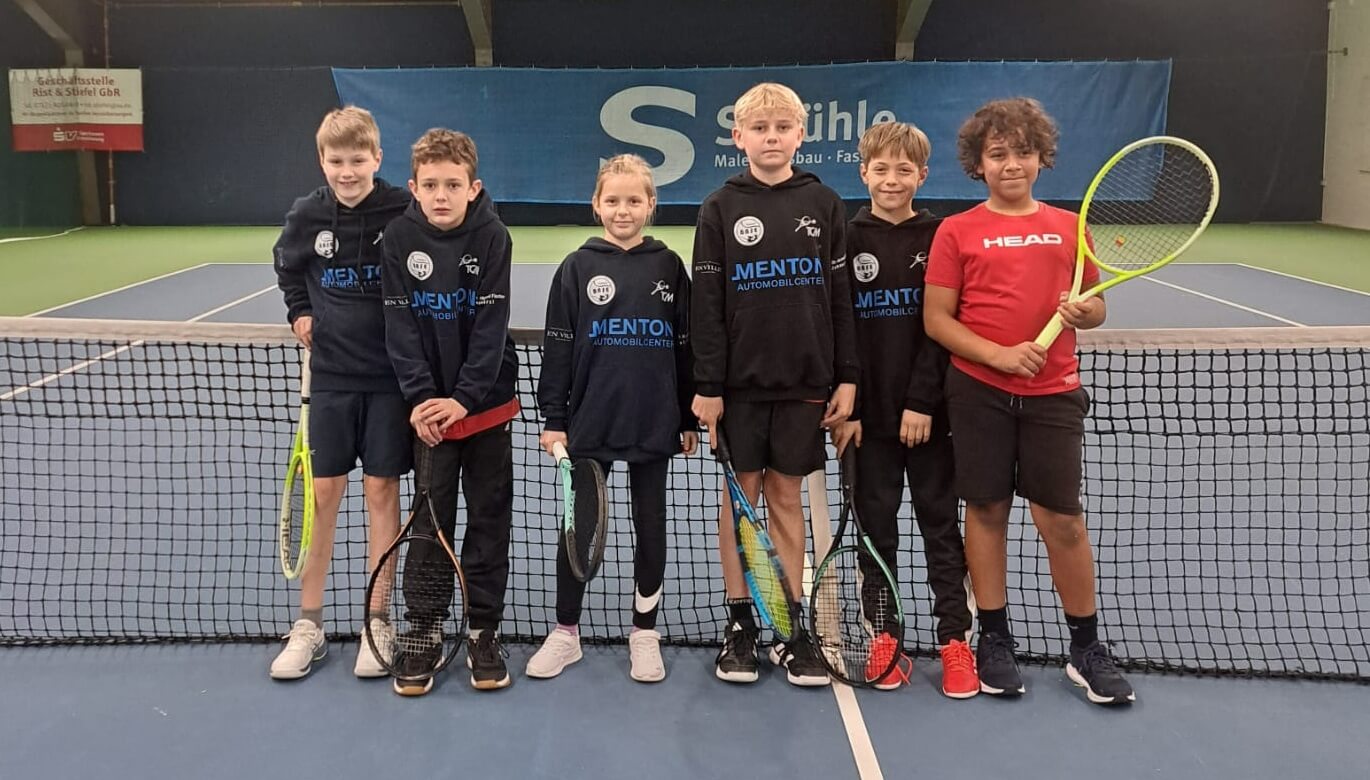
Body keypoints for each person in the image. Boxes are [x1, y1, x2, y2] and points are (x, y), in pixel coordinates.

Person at [923, 97, 1135, 705]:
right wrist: (999, 355)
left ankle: (1085, 647)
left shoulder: (1070, 227)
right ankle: (994, 639)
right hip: (978, 393)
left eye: (1022, 152)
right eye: (998, 154)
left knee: (1061, 521)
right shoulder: (956, 231)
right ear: (978, 164)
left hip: (1054, 394)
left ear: (1042, 157)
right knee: (986, 510)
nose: (1011, 164)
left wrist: (1087, 312)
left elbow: (1096, 306)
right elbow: (938, 320)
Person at [691, 82, 858, 687]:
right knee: (741, 501)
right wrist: (708, 384)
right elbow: (706, 304)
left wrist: (848, 376)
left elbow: (840, 297)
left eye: (782, 128)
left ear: (800, 134)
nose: (771, 137)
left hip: (805, 383)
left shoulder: (824, 203)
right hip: (736, 389)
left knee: (787, 497)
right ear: (738, 137)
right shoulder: (719, 208)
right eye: (759, 128)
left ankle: (790, 625)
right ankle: (741, 624)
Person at [528, 154, 698, 684]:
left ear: (651, 205)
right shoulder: (576, 268)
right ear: (596, 205)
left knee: (652, 526)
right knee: (578, 527)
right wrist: (554, 418)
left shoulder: (670, 266)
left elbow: (685, 347)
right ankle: (565, 633)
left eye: (634, 200)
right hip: (590, 422)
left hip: (654, 420)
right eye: (613, 200)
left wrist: (688, 416)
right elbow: (557, 349)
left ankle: (644, 633)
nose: (623, 210)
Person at [832, 120, 978, 697]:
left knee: (941, 528)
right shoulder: (843, 239)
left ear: (923, 175)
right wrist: (851, 407)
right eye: (881, 169)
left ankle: (955, 641)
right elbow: (841, 329)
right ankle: (884, 637)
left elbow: (944, 329)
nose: (892, 179)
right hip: (864, 422)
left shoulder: (942, 236)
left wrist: (921, 402)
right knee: (877, 533)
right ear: (863, 173)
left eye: (904, 169)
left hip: (932, 420)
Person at [271, 105, 411, 681]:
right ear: (321, 161)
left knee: (382, 490)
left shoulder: (402, 209)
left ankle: (377, 621)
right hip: (329, 378)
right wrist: (300, 310)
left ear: (377, 158)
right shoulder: (307, 215)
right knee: (324, 492)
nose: (347, 171)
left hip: (391, 380)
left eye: (357, 159)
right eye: (336, 161)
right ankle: (309, 624)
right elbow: (287, 268)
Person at [380, 128, 519, 696]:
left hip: (485, 411)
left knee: (489, 520)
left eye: (453, 185)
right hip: (429, 420)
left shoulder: (493, 237)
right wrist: (422, 400)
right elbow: (399, 328)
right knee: (428, 523)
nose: (442, 195)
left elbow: (490, 328)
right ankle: (423, 627)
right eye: (431, 185)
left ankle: (483, 628)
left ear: (473, 187)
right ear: (414, 187)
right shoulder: (397, 238)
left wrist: (462, 399)